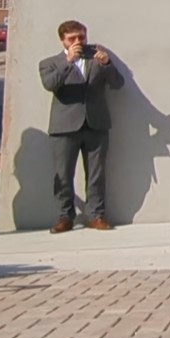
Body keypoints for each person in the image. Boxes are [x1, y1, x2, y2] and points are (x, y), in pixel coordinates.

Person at [40, 20, 126, 233]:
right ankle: (64, 216)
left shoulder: (97, 58)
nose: (78, 42)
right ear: (63, 40)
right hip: (64, 127)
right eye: (72, 38)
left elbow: (118, 84)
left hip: (95, 123)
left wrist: (107, 65)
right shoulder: (50, 63)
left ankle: (96, 215)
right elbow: (50, 84)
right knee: (63, 175)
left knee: (96, 174)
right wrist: (69, 61)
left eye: (81, 37)